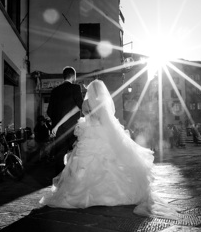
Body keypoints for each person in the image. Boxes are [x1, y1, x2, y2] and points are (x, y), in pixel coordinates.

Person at [40, 80, 177, 218]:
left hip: (88, 134)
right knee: (108, 163)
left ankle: (85, 194)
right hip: (100, 133)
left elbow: (82, 115)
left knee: (83, 163)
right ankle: (110, 194)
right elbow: (107, 121)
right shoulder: (102, 103)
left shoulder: (86, 103)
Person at [47, 66, 84, 173]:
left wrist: (56, 124)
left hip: (59, 130)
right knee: (74, 153)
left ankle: (60, 179)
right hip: (73, 128)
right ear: (73, 76)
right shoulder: (75, 88)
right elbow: (81, 105)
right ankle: (72, 177)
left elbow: (49, 111)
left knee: (59, 155)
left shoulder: (54, 91)